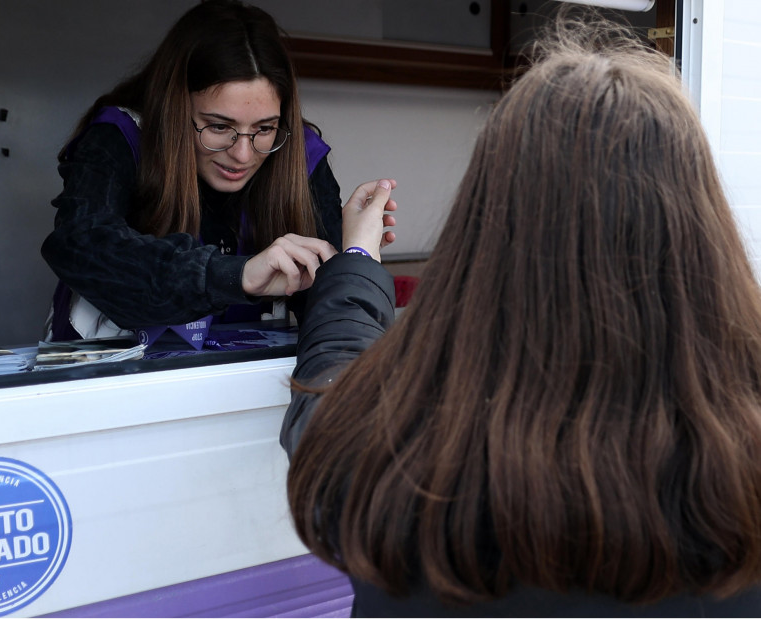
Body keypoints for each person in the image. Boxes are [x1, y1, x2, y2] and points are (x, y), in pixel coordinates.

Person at [280, 15, 761, 618]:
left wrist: (356, 258)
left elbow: (330, 381)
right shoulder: (739, 477)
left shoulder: (381, 458)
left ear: (483, 233)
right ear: (700, 242)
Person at [41, 0, 343, 341]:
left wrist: (356, 252)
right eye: (217, 126)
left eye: (263, 129)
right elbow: (82, 246)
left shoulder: (298, 152)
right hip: (111, 377)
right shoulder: (119, 137)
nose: (242, 154)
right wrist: (235, 275)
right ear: (175, 106)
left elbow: (334, 308)